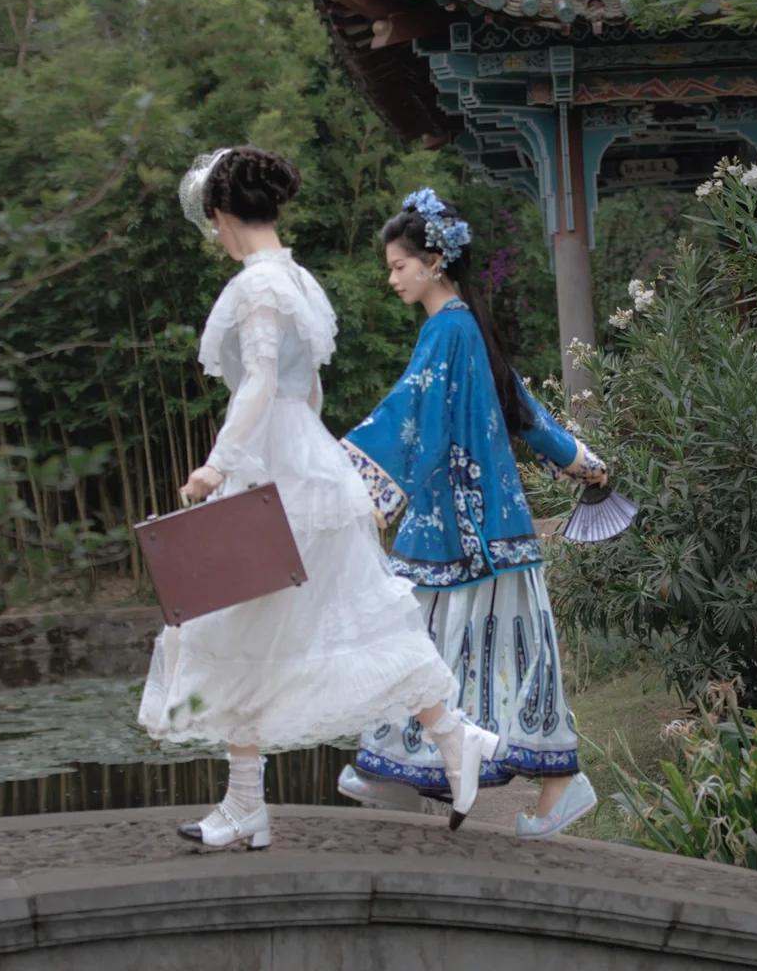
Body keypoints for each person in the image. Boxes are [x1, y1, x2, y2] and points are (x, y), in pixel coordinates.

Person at [137, 150, 498, 849]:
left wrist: (218, 466)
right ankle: (451, 737)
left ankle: (251, 803)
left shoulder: (257, 287)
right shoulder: (298, 280)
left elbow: (261, 381)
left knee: (235, 624)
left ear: (219, 218)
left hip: (271, 469)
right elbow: (309, 392)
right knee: (318, 615)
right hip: (304, 462)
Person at [335, 187, 609, 840]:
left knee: (449, 650)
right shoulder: (467, 329)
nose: (392, 277)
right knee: (459, 650)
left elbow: (411, 408)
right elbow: (525, 414)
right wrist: (586, 463)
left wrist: (345, 480)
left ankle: (559, 783)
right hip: (473, 527)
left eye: (399, 265)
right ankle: (396, 772)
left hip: (466, 529)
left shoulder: (448, 331)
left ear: (434, 262)